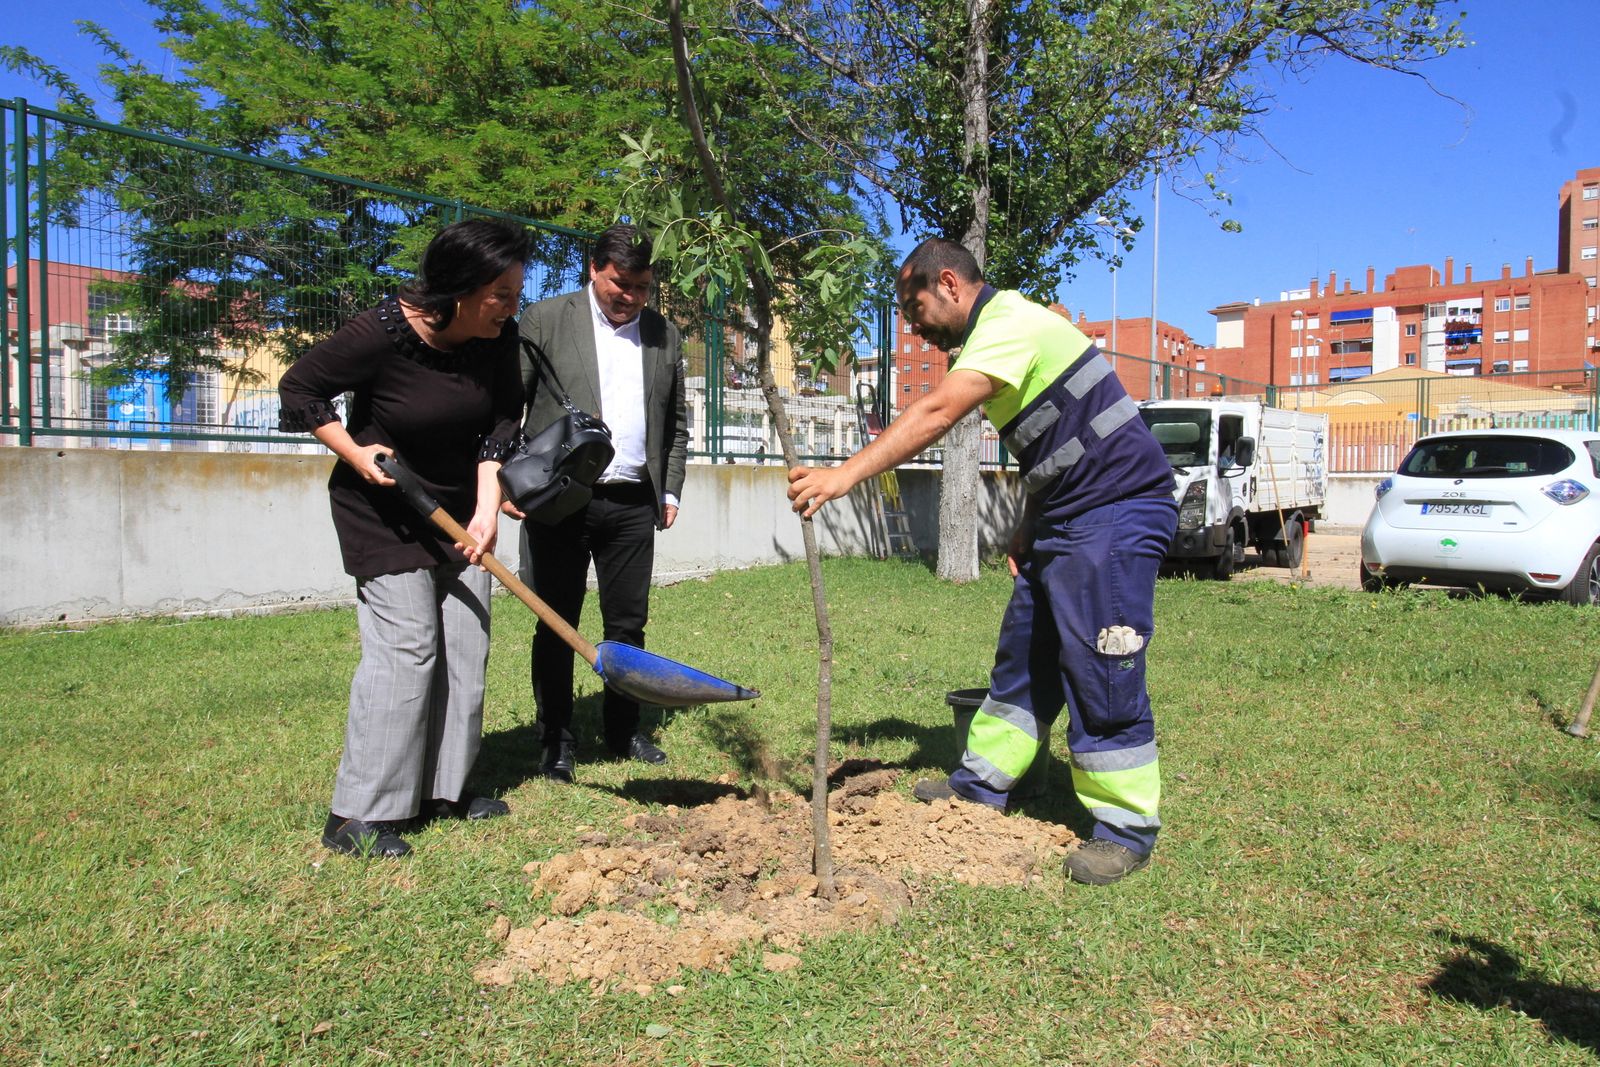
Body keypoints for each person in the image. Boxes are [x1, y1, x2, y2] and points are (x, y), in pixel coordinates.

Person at [787, 238, 1178, 886]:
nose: (910, 324)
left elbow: (938, 410)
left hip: (1117, 508)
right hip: (1066, 514)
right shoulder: (1004, 332)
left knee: (1101, 665)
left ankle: (1126, 826)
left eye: (913, 306)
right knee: (1023, 657)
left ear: (949, 283)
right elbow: (1053, 446)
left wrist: (843, 475)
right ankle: (983, 786)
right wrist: (1029, 528)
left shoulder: (1005, 326)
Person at [279, 218, 532, 858]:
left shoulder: (499, 339)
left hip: (459, 509)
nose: (510, 306)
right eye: (499, 293)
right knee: (408, 650)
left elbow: (502, 423)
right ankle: (358, 815)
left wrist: (488, 506)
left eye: (515, 292)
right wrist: (356, 453)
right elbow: (301, 388)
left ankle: (444, 790)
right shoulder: (381, 331)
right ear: (458, 291)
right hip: (384, 507)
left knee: (466, 648)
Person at [515, 224, 689, 782]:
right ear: (594, 269)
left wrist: (669, 487)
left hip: (634, 501)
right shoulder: (545, 319)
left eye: (642, 287)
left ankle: (623, 731)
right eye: (620, 284)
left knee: (628, 626)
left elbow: (676, 423)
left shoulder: (666, 334)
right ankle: (556, 741)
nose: (630, 297)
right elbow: (509, 404)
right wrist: (509, 480)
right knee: (556, 621)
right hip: (561, 500)